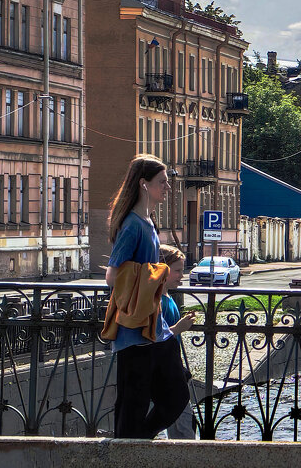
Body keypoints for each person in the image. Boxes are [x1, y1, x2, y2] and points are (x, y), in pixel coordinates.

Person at [105, 154, 190, 439]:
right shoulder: (132, 225)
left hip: (155, 329)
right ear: (144, 185)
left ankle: (139, 441)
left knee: (176, 396)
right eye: (162, 182)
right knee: (133, 403)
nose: (168, 188)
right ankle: (130, 450)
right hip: (134, 330)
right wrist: (152, 276)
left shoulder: (148, 222)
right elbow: (112, 276)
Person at [159, 245, 197, 439]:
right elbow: (157, 336)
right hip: (166, 372)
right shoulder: (158, 300)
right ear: (162, 270)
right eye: (178, 271)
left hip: (173, 367)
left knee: (180, 425)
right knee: (183, 429)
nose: (182, 275)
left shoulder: (168, 297)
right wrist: (178, 328)